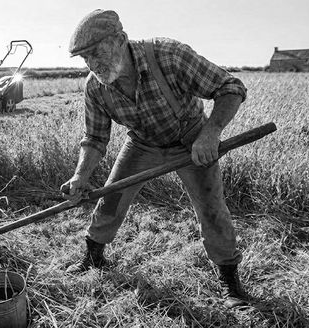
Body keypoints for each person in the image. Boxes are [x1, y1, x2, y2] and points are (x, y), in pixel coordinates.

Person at [60, 9, 249, 308]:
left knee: (212, 208)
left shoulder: (168, 55)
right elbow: (95, 138)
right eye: (86, 58)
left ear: (121, 39)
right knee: (110, 197)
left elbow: (230, 87)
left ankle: (230, 283)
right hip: (142, 142)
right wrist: (80, 177)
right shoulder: (96, 87)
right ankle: (93, 257)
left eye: (97, 52)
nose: (93, 63)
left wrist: (210, 133)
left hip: (191, 139)